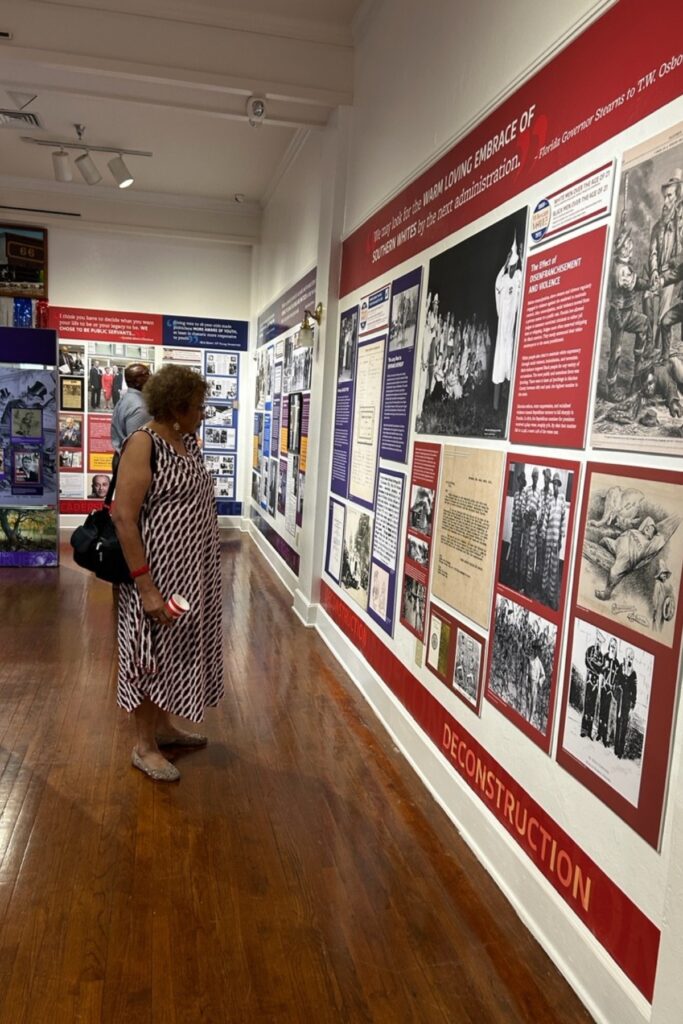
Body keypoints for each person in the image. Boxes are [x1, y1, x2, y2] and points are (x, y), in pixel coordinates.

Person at [112, 364, 223, 782]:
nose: (202, 412)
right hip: (155, 574)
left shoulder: (186, 442)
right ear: (176, 406)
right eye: (198, 406)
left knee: (173, 651)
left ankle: (162, 728)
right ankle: (143, 745)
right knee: (149, 655)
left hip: (189, 573)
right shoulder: (145, 443)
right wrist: (146, 588)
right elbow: (123, 516)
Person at [492, 235, 523, 410]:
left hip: (511, 329)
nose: (512, 269)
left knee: (509, 364)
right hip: (502, 328)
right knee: (499, 365)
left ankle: (508, 405)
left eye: (513, 265)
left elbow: (524, 278)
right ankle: (495, 407)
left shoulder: (518, 276)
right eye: (509, 266)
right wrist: (504, 263)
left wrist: (522, 254)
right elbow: (496, 285)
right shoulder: (503, 280)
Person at [111, 363, 152, 455]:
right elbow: (137, 448)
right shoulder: (140, 406)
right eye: (147, 374)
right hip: (133, 462)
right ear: (137, 381)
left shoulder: (128, 398)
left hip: (124, 458)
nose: (151, 377)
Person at [541, 472, 567, 610]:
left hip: (556, 540)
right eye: (554, 484)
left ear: (559, 486)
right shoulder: (550, 501)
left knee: (554, 568)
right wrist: (544, 535)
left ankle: (552, 597)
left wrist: (561, 537)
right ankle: (544, 594)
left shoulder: (562, 501)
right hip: (548, 539)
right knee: (545, 566)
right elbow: (545, 519)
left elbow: (563, 521)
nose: (555, 487)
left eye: (557, 484)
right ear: (552, 485)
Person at [614, 648, 638, 758]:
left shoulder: (633, 674)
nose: (630, 660)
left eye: (632, 658)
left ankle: (620, 750)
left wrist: (632, 704)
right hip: (620, 699)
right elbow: (616, 681)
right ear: (625, 656)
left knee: (624, 725)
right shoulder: (620, 668)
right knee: (618, 722)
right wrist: (618, 692)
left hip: (627, 703)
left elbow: (634, 691)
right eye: (628, 657)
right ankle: (616, 747)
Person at [581, 630, 604, 738]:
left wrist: (595, 666)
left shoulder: (602, 656)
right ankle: (583, 730)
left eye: (600, 642)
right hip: (589, 679)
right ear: (595, 640)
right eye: (597, 640)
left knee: (592, 707)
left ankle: (589, 731)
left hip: (595, 683)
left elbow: (601, 669)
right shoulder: (589, 650)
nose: (598, 643)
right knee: (587, 704)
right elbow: (587, 662)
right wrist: (595, 666)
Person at [597, 637, 619, 746]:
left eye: (614, 647)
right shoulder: (605, 657)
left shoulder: (617, 663)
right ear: (609, 646)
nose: (612, 648)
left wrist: (613, 689)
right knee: (601, 711)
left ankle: (605, 736)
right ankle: (599, 733)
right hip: (603, 688)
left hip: (610, 691)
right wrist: (600, 686)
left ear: (616, 648)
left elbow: (617, 680)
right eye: (611, 646)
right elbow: (601, 673)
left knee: (607, 714)